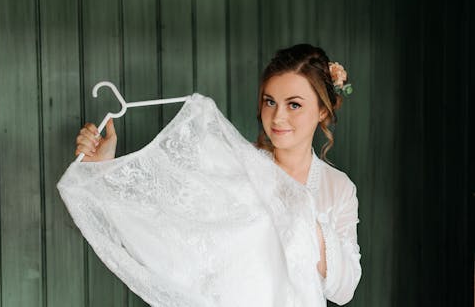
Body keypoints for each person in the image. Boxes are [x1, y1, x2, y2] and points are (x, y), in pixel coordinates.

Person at [74, 43, 361, 305]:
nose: (277, 117)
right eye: (269, 101)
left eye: (294, 104)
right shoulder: (231, 162)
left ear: (323, 110)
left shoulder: (337, 188)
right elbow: (165, 232)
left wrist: (303, 220)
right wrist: (103, 169)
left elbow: (344, 289)